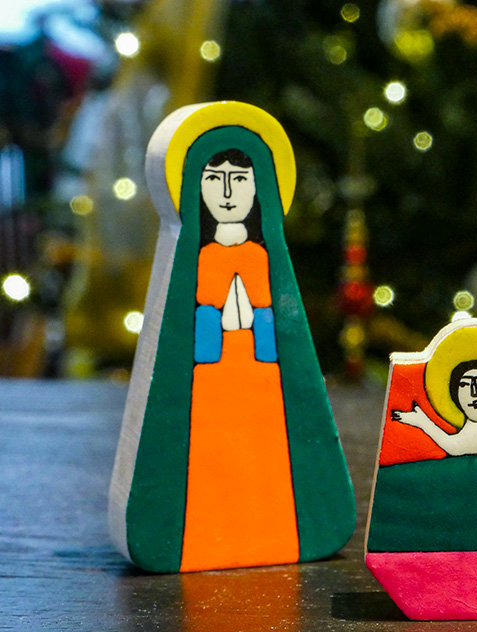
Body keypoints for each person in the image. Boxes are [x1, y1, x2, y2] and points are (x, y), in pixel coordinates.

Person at [109, 102, 355, 573]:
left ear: (260, 185)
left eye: (239, 180)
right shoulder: (191, 261)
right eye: (212, 178)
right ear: (191, 186)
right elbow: (190, 336)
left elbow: (277, 333)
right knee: (210, 473)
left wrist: (254, 326)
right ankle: (205, 534)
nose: (226, 192)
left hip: (263, 390)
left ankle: (275, 527)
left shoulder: (266, 257)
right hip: (209, 392)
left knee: (268, 468)